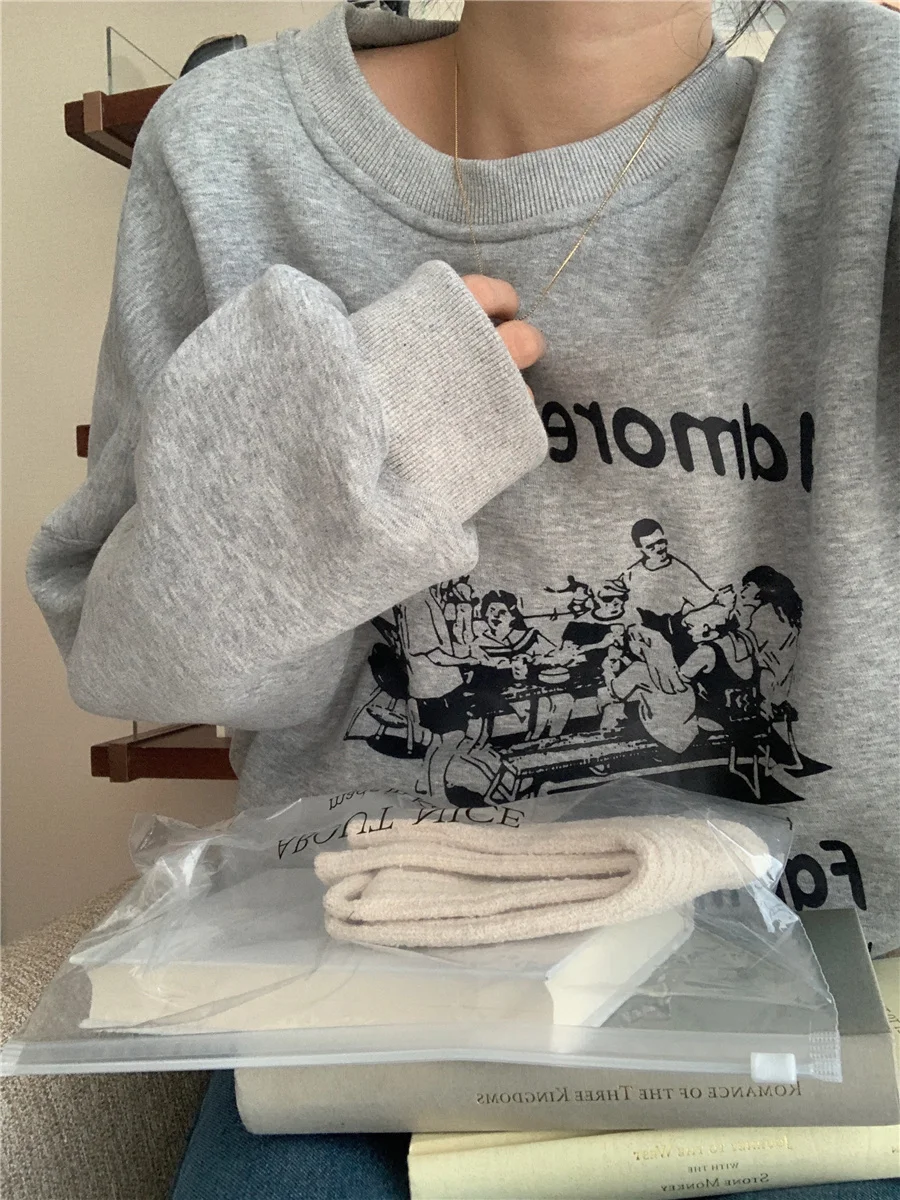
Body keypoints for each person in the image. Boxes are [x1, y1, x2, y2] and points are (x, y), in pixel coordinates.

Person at [24, 0, 899, 1194]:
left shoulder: (868, 114)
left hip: (818, 997)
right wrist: (355, 443)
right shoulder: (232, 145)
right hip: (367, 1002)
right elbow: (140, 659)